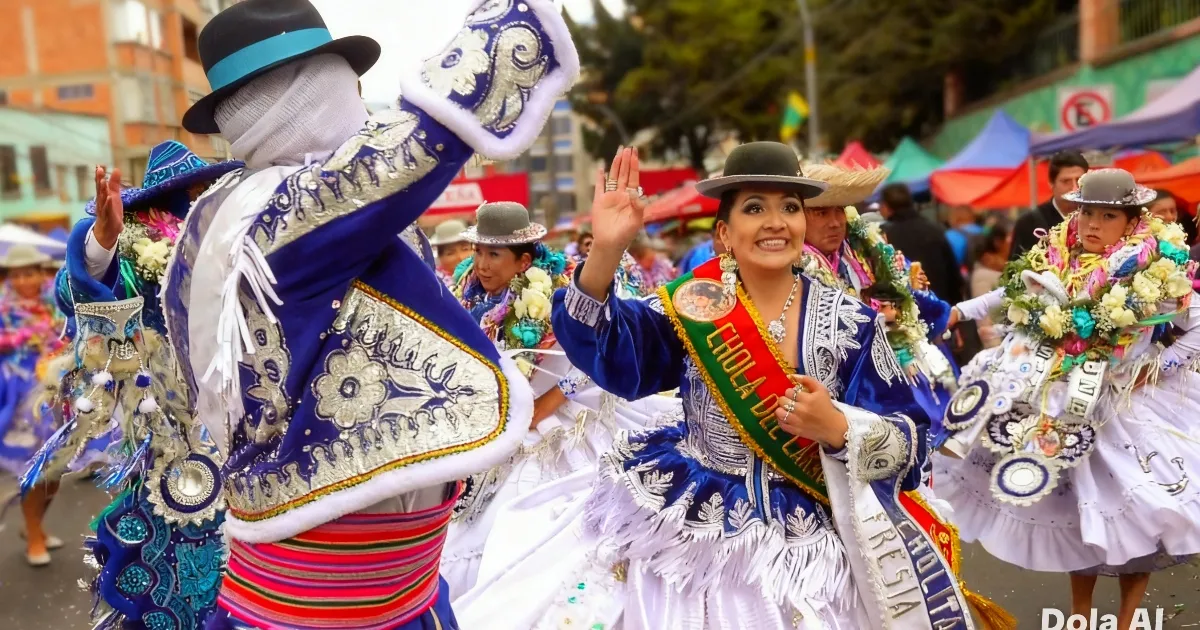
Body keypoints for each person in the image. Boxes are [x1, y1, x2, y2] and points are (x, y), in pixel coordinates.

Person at [103, 1, 577, 628]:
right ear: (300, 96)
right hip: (326, 607)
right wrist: (518, 15)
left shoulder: (230, 219)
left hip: (391, 586)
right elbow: (415, 146)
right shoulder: (275, 216)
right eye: (342, 84)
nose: (360, 103)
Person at [454, 144, 1008, 629]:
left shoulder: (850, 321)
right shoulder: (690, 306)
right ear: (724, 232)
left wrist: (841, 428)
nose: (776, 221)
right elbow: (610, 353)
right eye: (754, 208)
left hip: (814, 534)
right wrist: (605, 251)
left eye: (790, 207)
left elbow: (910, 438)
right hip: (692, 524)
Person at [938, 169, 1200, 630]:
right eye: (1086, 213)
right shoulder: (1058, 257)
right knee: (1079, 517)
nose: (1094, 224)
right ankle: (1080, 618)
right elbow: (1011, 293)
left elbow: (1194, 326)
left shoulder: (1156, 270)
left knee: (1138, 519)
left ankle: (1126, 620)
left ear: (1131, 221)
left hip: (1124, 409)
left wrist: (1153, 369)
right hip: (1063, 403)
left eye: (1108, 215)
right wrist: (958, 310)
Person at [26, 140, 241, 626]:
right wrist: (100, 242)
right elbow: (73, 294)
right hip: (176, 435)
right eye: (191, 193)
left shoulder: (238, 241)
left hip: (253, 427)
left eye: (209, 189)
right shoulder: (139, 253)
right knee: (189, 558)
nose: (203, 198)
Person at [443, 201, 677, 597]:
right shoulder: (466, 295)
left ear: (522, 262)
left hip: (562, 425)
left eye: (494, 254)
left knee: (531, 527)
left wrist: (545, 406)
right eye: (478, 252)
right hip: (497, 428)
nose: (481, 264)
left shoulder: (555, 295)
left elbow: (591, 363)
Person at [798, 163, 958, 443]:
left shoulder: (863, 251)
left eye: (839, 210)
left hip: (893, 381)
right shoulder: (790, 267)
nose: (835, 222)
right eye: (821, 212)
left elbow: (908, 293)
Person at [0, 245, 65, 567]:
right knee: (34, 469)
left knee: (56, 472)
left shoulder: (55, 306)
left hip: (56, 392)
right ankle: (34, 534)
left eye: (30, 273)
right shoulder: (5, 311)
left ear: (41, 274)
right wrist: (25, 337)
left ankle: (34, 526)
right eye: (17, 275)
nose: (24, 280)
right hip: (22, 394)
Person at [879, 183, 965, 306]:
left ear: (886, 207)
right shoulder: (935, 230)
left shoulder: (883, 236)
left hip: (902, 311)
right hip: (939, 308)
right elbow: (954, 277)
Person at [1009, 151, 1089, 261]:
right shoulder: (1028, 223)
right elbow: (1013, 272)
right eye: (1066, 181)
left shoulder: (1096, 219)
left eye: (1079, 180)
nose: (1074, 188)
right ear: (1051, 183)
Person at [967, 222, 1011, 349]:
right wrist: (994, 350)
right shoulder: (982, 276)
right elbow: (983, 316)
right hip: (998, 347)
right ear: (998, 242)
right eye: (1008, 240)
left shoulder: (1000, 269)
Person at [430, 219, 473, 288]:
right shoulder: (436, 285)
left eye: (465, 249)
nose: (461, 257)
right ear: (440, 257)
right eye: (450, 253)